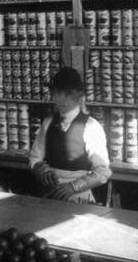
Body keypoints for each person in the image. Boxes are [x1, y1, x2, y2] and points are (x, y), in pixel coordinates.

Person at [28, 67, 112, 204]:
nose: (62, 99)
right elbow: (34, 157)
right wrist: (42, 171)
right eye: (57, 93)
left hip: (79, 198)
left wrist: (73, 187)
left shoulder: (91, 126)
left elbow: (103, 172)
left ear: (79, 94)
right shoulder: (48, 122)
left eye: (68, 94)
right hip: (50, 195)